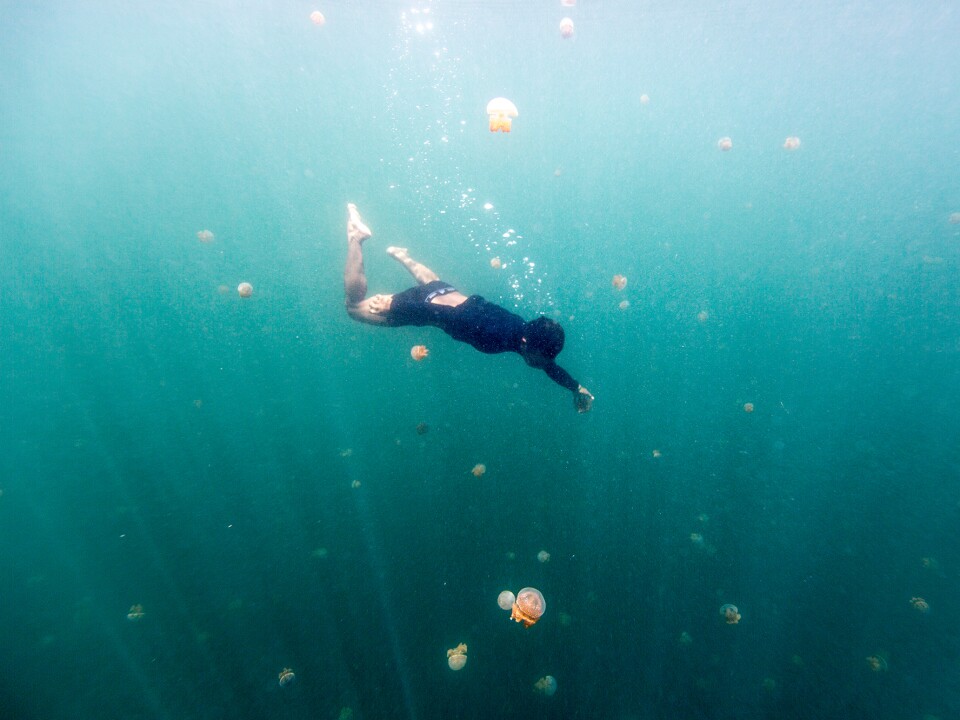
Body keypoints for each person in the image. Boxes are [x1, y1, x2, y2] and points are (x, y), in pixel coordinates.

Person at [343, 204, 594, 413]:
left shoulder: (524, 331)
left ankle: (402, 255)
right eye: (542, 359)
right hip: (428, 305)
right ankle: (356, 237)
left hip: (443, 290)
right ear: (528, 344)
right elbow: (446, 313)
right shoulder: (496, 336)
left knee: (432, 282)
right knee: (354, 308)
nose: (543, 364)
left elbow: (548, 365)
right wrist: (396, 304)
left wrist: (575, 387)